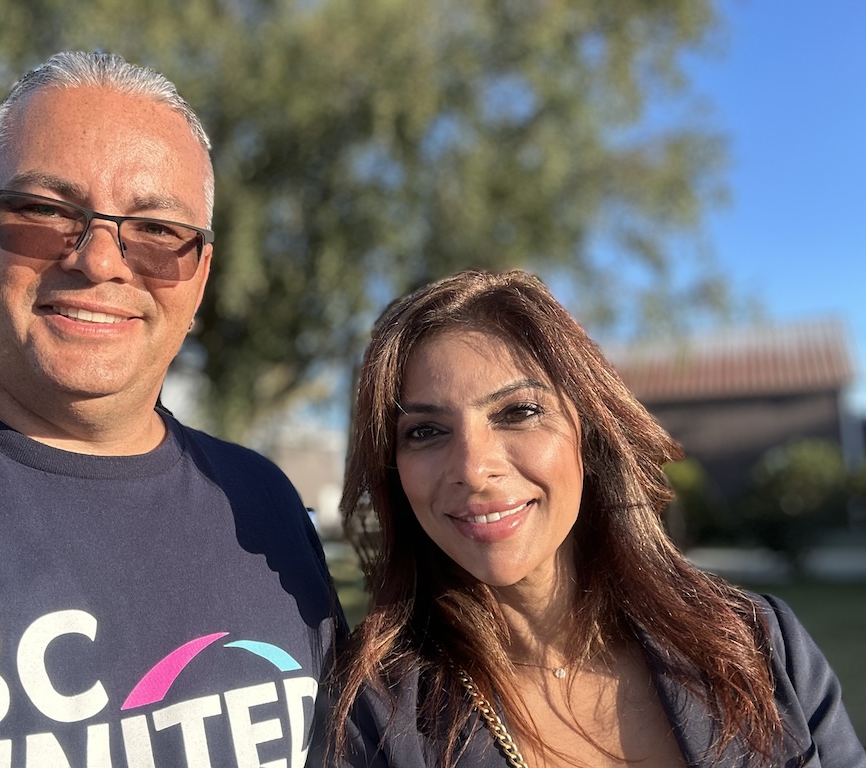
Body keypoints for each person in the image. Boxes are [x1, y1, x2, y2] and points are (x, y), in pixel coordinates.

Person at [0, 51, 342, 766]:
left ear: (200, 275)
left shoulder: (264, 507)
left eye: (157, 231)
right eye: (46, 212)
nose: (100, 261)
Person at [329, 270, 865, 767]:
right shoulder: (375, 720)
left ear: (587, 432)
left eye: (518, 412)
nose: (472, 469)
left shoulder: (759, 645)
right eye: (425, 431)